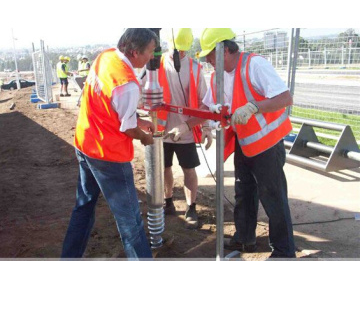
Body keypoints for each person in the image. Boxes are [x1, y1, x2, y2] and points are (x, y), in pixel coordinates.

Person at [61, 28, 159, 260]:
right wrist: (145, 137)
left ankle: (68, 259)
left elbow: (110, 105)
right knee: (130, 221)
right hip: (108, 155)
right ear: (135, 52)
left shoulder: (105, 57)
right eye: (150, 52)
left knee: (83, 207)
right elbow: (127, 128)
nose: (152, 57)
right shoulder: (127, 83)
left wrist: (139, 120)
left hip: (86, 144)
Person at [199, 28, 296, 258]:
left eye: (210, 54)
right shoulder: (217, 77)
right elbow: (208, 108)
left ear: (225, 49)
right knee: (244, 191)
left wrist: (254, 106)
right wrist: (190, 125)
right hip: (245, 143)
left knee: (273, 197)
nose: (208, 60)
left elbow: (285, 98)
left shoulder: (254, 65)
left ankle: (284, 252)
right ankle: (245, 238)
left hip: (268, 144)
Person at [147, 28, 213, 229]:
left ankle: (191, 207)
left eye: (185, 50)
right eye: (178, 50)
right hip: (162, 130)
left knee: (189, 169)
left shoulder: (194, 68)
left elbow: (205, 102)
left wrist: (207, 127)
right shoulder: (154, 66)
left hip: (185, 131)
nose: (181, 54)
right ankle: (168, 202)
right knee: (164, 168)